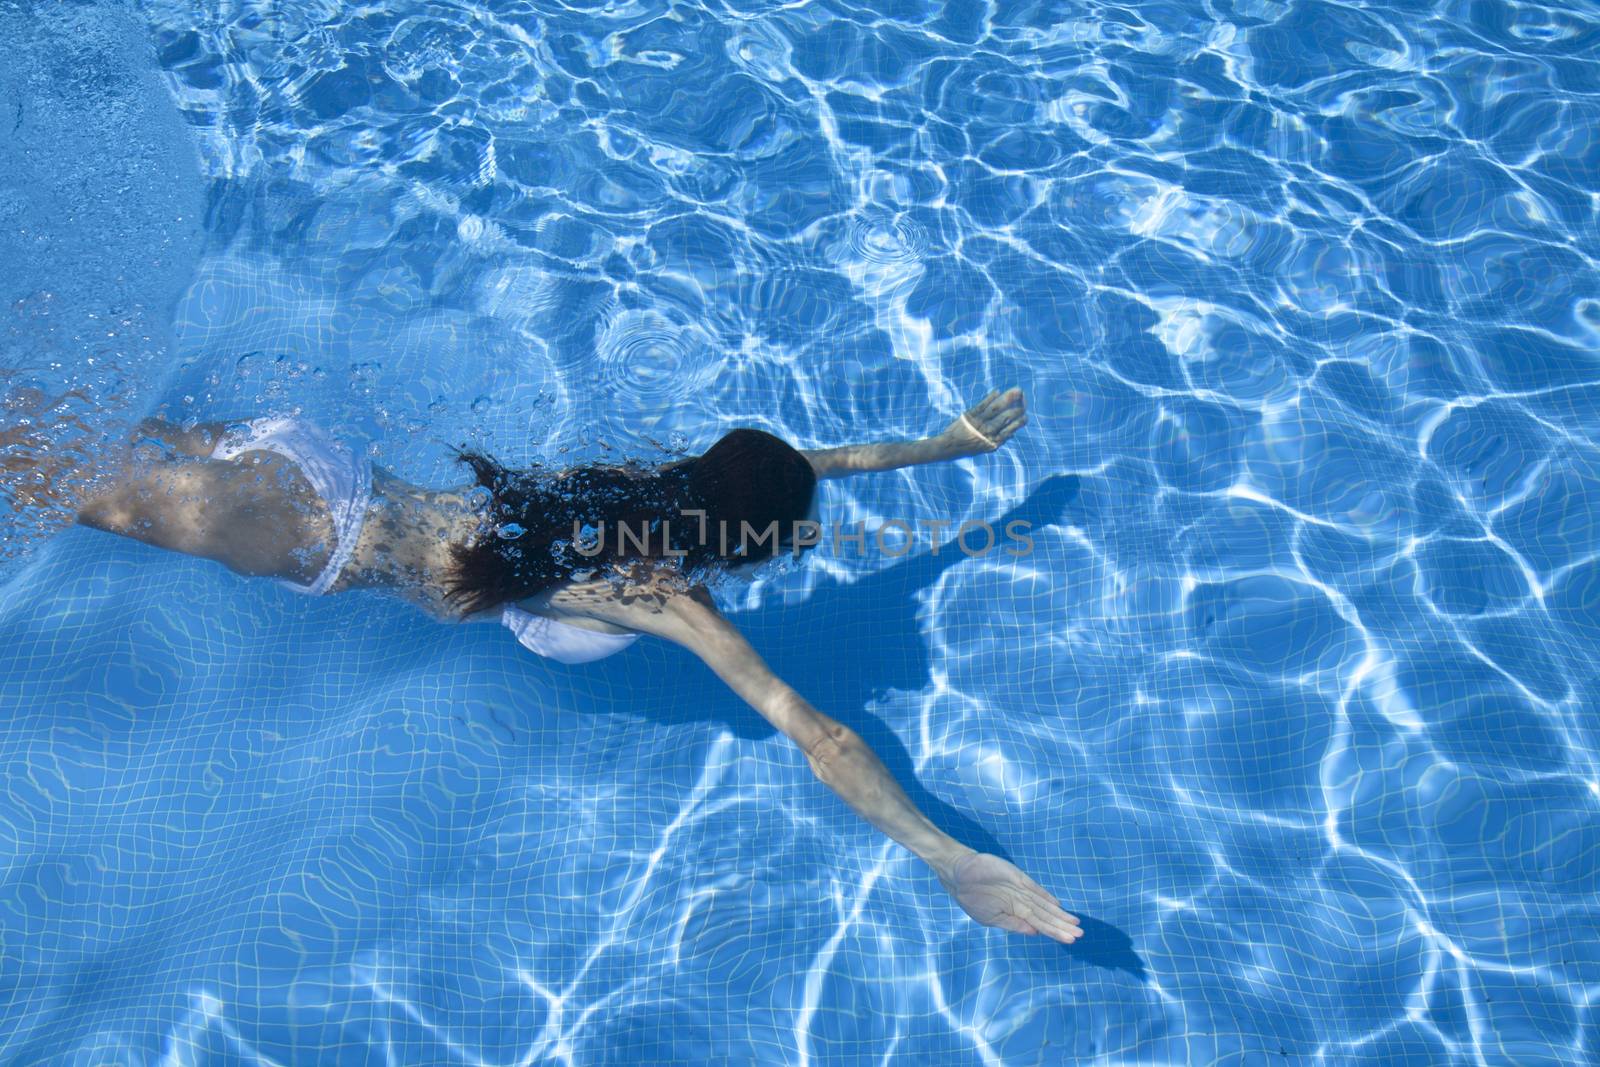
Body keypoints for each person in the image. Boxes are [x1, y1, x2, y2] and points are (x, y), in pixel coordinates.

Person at [49, 386, 1080, 944]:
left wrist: (939, 451)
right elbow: (823, 732)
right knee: (38, 471)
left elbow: (803, 463)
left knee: (61, 430)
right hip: (309, 528)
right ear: (747, 536)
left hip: (313, 457)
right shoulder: (665, 596)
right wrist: (946, 855)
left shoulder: (663, 487)